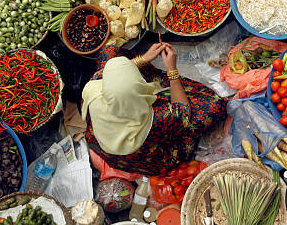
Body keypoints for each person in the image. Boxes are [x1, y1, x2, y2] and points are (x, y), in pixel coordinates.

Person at [82, 43, 227, 175]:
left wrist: (143, 59)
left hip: (107, 139)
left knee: (109, 51)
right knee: (214, 105)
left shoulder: (94, 87)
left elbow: (117, 78)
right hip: (149, 154)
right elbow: (182, 113)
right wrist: (172, 70)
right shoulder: (154, 120)